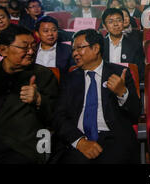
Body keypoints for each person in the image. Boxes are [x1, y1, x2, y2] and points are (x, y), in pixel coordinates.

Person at [0, 25, 58, 163]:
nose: (31, 51)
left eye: (33, 46)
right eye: (24, 47)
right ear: (3, 50)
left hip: (22, 147)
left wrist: (39, 99)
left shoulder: (44, 75)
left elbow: (54, 116)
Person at [52, 29, 140, 164]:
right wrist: (79, 142)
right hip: (79, 138)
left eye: (79, 48)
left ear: (96, 48)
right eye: (73, 49)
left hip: (113, 138)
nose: (75, 53)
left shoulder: (120, 73)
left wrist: (122, 93)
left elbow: (135, 113)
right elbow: (59, 116)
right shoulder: (69, 79)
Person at [101, 8, 145, 81]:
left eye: (119, 20)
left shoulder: (135, 45)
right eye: (110, 21)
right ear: (104, 26)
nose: (116, 24)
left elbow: (140, 72)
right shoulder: (100, 46)